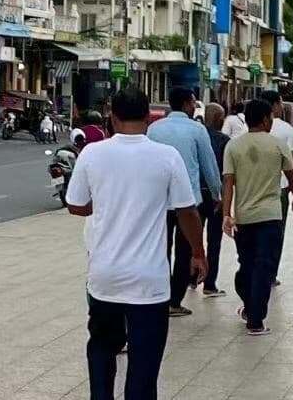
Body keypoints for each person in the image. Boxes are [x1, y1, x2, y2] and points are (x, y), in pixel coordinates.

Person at [66, 86, 205, 400]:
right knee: (144, 364)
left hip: (104, 278)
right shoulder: (167, 156)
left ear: (112, 118)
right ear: (148, 117)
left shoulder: (92, 152)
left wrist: (102, 204)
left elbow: (75, 204)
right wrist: (198, 252)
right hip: (149, 282)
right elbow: (187, 211)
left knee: (102, 351)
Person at [222, 98, 293, 337]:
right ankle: (255, 319)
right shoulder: (278, 145)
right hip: (270, 216)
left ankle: (251, 309)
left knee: (247, 266)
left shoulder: (233, 147)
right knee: (263, 267)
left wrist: (227, 214)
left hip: (244, 217)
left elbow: (228, 182)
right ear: (266, 119)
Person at [146, 85, 222, 316]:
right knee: (184, 250)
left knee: (161, 250)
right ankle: (174, 301)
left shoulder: (154, 129)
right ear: (188, 103)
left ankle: (158, 295)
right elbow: (209, 166)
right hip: (188, 202)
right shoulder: (197, 130)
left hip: (159, 200)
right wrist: (217, 194)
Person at [267, 101, 293, 281]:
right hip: (279, 187)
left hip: (251, 189)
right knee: (277, 231)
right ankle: (271, 273)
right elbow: (292, 163)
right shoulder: (286, 129)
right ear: (275, 106)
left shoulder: (245, 129)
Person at [200, 103, 229, 299]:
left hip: (195, 195)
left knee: (190, 238)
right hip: (215, 196)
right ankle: (209, 283)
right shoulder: (224, 141)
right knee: (214, 241)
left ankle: (192, 276)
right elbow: (228, 174)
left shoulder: (197, 137)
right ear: (220, 120)